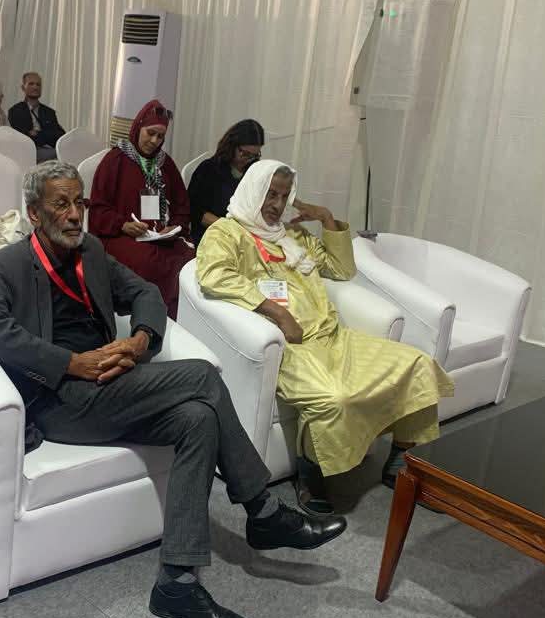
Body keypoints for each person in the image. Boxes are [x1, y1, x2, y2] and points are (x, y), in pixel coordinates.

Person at [0, 160, 347, 618]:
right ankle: (262, 511)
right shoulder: (9, 264)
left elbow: (143, 291)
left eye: (79, 202)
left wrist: (140, 339)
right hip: (60, 399)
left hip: (111, 386)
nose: (75, 214)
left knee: (198, 418)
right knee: (203, 376)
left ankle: (176, 584)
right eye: (61, 205)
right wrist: (69, 362)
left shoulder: (90, 250)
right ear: (35, 214)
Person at [195, 160, 454, 515]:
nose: (277, 204)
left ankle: (401, 460)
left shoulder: (294, 235)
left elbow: (341, 270)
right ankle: (311, 477)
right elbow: (214, 276)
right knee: (333, 398)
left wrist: (327, 220)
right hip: (290, 346)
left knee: (417, 363)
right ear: (253, 190)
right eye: (270, 194)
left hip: (333, 336)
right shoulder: (227, 232)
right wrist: (278, 313)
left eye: (284, 196)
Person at [88, 99, 193, 318]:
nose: (154, 141)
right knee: (149, 262)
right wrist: (123, 225)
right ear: (138, 128)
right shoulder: (115, 160)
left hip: (160, 237)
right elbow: (98, 209)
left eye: (160, 136)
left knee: (190, 259)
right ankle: (151, 319)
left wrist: (174, 227)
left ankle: (180, 320)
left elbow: (182, 206)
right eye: (150, 133)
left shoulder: (165, 164)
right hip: (121, 236)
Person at [188, 119, 342, 246]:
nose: (247, 159)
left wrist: (301, 205)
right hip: (216, 233)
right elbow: (196, 213)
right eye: (244, 153)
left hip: (247, 232)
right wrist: (233, 229)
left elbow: (273, 189)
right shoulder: (208, 170)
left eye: (254, 155)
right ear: (232, 145)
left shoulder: (253, 168)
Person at [7, 71, 64, 163]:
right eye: (31, 84)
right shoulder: (15, 111)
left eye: (38, 84)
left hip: (50, 149)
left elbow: (59, 135)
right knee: (60, 155)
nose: (35, 87)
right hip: (28, 151)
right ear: (23, 88)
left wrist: (37, 133)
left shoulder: (49, 112)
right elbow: (23, 137)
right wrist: (46, 135)